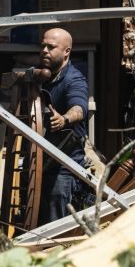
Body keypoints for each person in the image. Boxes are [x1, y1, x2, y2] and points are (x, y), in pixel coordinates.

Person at [37, 28, 89, 224]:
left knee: (55, 227)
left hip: (63, 169)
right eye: (42, 46)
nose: (44, 50)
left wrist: (65, 119)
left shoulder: (74, 80)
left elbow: (80, 108)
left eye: (51, 47)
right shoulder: (41, 76)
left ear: (67, 51)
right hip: (40, 163)